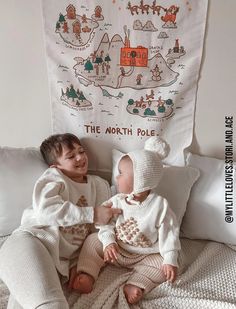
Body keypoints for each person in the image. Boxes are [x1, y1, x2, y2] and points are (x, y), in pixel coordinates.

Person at [0, 133, 121, 309]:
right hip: (30, 242)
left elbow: (96, 233)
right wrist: (92, 214)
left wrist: (78, 266)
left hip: (56, 266)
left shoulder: (99, 185)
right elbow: (46, 212)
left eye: (81, 151)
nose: (80, 157)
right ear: (56, 166)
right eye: (71, 156)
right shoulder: (54, 178)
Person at [71, 136, 181, 304]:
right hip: (116, 250)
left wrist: (170, 260)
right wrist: (108, 242)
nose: (116, 178)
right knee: (93, 241)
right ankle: (87, 274)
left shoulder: (160, 206)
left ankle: (136, 284)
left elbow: (170, 233)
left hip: (144, 255)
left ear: (140, 181)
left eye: (121, 174)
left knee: (162, 266)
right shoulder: (117, 200)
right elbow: (104, 223)